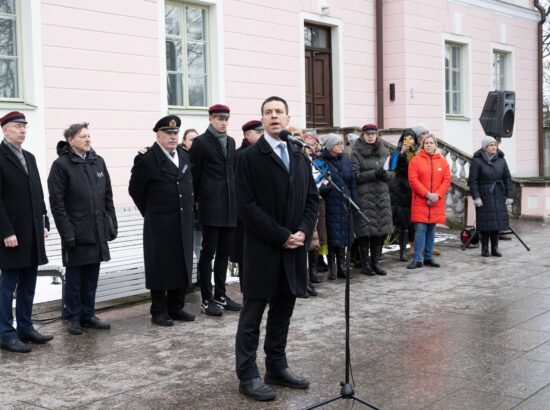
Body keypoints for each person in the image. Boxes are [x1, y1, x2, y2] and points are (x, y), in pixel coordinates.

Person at [235, 96, 318, 401]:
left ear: (287, 117)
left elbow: (311, 198)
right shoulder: (248, 157)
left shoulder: (298, 153)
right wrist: (281, 235)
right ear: (262, 119)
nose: (273, 116)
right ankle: (247, 375)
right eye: (268, 112)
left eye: (278, 112)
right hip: (262, 249)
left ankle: (276, 367)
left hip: (293, 248)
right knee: (252, 316)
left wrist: (304, 231)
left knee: (283, 311)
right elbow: (246, 206)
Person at [48, 122, 117, 335]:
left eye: (89, 135)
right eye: (82, 136)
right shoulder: (61, 165)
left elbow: (108, 196)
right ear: (71, 141)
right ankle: (74, 317)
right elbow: (57, 204)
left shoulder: (98, 162)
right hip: (76, 233)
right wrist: (67, 233)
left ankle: (88, 314)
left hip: (96, 231)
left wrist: (111, 223)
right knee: (75, 279)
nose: (88, 139)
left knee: (91, 277)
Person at [129, 115, 195, 326]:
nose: (173, 137)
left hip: (183, 220)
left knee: (181, 263)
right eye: (168, 133)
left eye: (175, 134)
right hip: (159, 222)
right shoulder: (147, 158)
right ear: (158, 135)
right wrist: (151, 212)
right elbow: (135, 190)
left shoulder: (183, 156)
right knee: (160, 265)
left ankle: (176, 306)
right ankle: (158, 310)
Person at [0, 111, 53, 353]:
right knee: (7, 285)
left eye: (24, 126)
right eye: (17, 126)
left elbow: (38, 194)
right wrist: (6, 231)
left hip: (32, 232)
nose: (22, 130)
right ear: (4, 130)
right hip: (10, 235)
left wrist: (44, 222)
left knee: (29, 283)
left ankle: (25, 327)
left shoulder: (29, 157)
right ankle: (5, 332)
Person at [189, 104, 241, 316]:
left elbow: (232, 173)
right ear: (210, 118)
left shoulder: (230, 141)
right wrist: (196, 206)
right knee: (208, 253)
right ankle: (206, 298)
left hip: (229, 206)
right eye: (219, 118)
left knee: (224, 253)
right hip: (210, 206)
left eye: (226, 118)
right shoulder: (200, 142)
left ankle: (221, 294)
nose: (223, 122)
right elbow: (194, 176)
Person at [351, 123, 393, 276]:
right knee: (364, 232)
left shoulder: (384, 151)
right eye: (368, 133)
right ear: (363, 135)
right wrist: (373, 174)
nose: (370, 136)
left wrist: (385, 175)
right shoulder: (355, 152)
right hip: (365, 197)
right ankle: (365, 264)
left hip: (382, 196)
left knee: (380, 231)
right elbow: (355, 176)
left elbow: (391, 173)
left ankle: (376, 262)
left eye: (373, 133)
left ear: (377, 135)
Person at [316, 133, 357, 280]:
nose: (341, 145)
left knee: (344, 235)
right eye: (337, 143)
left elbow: (352, 182)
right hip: (330, 203)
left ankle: (342, 267)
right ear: (329, 146)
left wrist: (353, 200)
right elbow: (318, 183)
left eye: (342, 143)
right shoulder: (320, 161)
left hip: (345, 202)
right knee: (332, 235)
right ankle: (332, 268)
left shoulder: (345, 161)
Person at [407, 134, 451, 269]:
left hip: (436, 201)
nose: (429, 145)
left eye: (431, 143)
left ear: (435, 145)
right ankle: (417, 259)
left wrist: (437, 195)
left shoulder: (443, 162)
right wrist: (427, 194)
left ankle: (428, 257)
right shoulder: (416, 160)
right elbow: (413, 180)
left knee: (432, 229)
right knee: (420, 228)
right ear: (422, 145)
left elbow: (447, 180)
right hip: (421, 200)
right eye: (426, 143)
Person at [230, 120, 263, 287]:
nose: (263, 136)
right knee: (245, 255)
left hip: (262, 212)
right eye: (259, 132)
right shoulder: (239, 155)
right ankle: (246, 289)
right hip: (244, 214)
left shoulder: (264, 153)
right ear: (248, 135)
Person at [468, 136, 514, 257]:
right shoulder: (477, 161)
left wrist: (509, 195)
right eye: (491, 145)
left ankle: (495, 248)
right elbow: (473, 181)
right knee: (484, 222)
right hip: (484, 194)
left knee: (496, 222)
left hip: (498, 193)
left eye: (495, 145)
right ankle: (484, 248)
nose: (494, 147)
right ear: (485, 147)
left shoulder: (501, 160)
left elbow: (507, 178)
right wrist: (476, 197)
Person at [389, 129, 419, 261]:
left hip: (413, 190)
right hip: (399, 190)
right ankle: (402, 252)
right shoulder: (397, 152)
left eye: (411, 138)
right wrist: (402, 152)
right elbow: (392, 166)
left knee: (411, 222)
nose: (409, 141)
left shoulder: (418, 153)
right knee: (402, 222)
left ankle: (410, 248)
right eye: (406, 138)